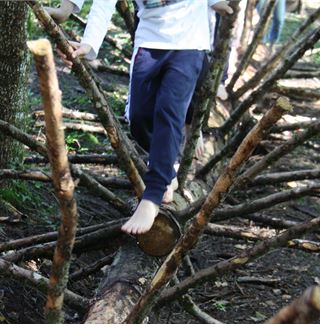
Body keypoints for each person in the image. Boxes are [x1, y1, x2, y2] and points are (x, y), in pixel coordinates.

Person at [47, 0, 232, 235]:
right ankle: (168, 169)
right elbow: (104, 4)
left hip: (189, 41)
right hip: (149, 40)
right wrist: (89, 43)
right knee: (139, 118)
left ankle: (153, 196)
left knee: (169, 111)